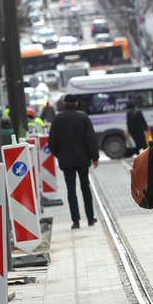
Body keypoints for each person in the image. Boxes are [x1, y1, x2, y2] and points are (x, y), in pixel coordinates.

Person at [47, 93, 100, 228]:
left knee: (71, 191)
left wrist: (60, 155)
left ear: (64, 104)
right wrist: (95, 157)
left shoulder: (58, 119)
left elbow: (51, 142)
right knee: (85, 188)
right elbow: (91, 139)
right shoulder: (83, 117)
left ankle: (75, 221)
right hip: (83, 160)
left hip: (67, 162)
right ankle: (90, 218)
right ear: (76, 104)